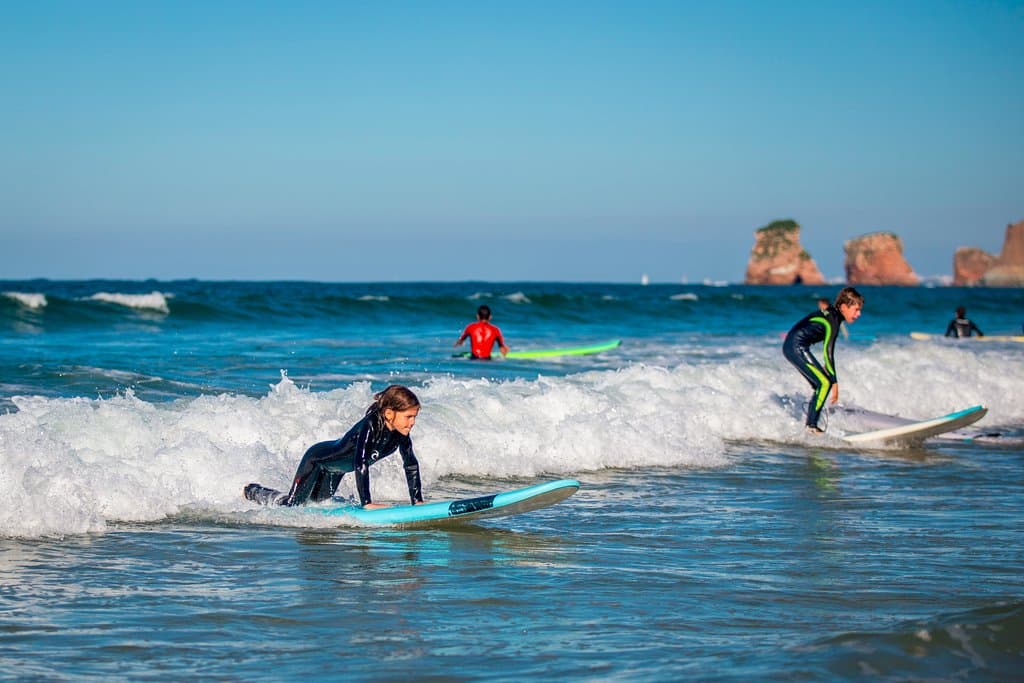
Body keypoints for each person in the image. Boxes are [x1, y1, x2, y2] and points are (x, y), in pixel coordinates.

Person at [244, 385, 424, 508]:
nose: (412, 422)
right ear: (389, 413)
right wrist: (367, 503)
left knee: (316, 505)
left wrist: (417, 501)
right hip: (316, 460)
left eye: (414, 417)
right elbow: (361, 463)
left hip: (336, 470)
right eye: (408, 416)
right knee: (292, 506)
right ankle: (254, 491)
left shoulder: (401, 434)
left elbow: (410, 464)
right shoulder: (370, 426)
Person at [783, 287, 864, 433]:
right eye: (856, 309)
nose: (859, 314)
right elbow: (828, 352)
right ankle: (811, 427)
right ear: (844, 307)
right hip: (796, 347)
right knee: (825, 383)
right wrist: (835, 383)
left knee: (820, 384)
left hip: (793, 346)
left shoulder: (832, 315)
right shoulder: (832, 320)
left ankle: (811, 420)